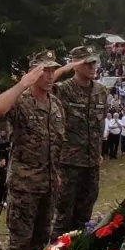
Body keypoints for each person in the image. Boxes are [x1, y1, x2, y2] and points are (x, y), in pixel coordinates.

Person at [0, 51, 66, 250]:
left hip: (48, 185)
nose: (50, 76)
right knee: (19, 243)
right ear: (33, 73)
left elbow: (56, 143)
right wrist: (22, 83)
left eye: (53, 71)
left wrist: (57, 173)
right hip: (24, 186)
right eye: (45, 71)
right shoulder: (21, 102)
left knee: (41, 241)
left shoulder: (56, 105)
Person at [49, 45, 109, 235]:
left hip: (91, 164)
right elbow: (45, 83)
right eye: (87, 63)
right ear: (76, 65)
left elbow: (99, 126)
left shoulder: (101, 91)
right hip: (69, 164)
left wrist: (99, 153)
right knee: (63, 217)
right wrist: (67, 67)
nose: (92, 67)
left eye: (94, 63)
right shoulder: (63, 90)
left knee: (84, 216)